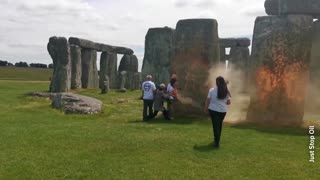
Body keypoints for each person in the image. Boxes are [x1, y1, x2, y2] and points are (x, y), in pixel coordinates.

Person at [204, 76, 231, 148]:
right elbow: (228, 103)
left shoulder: (211, 90)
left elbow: (208, 101)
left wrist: (205, 108)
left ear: (216, 82)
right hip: (223, 111)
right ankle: (217, 140)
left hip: (213, 110)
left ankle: (217, 142)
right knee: (219, 125)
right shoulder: (225, 91)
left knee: (215, 126)